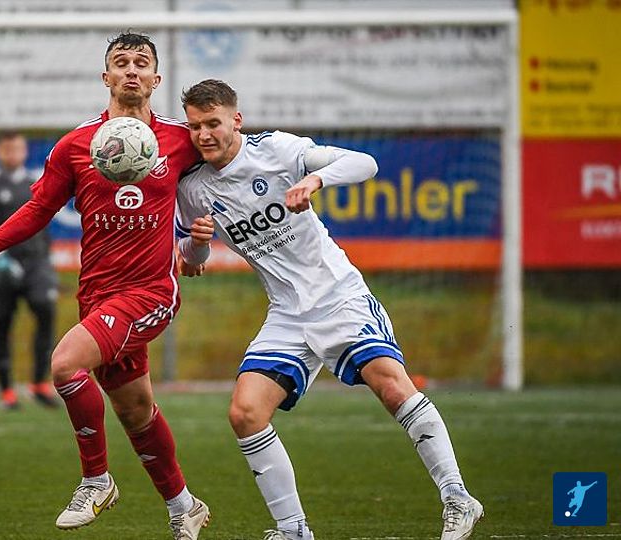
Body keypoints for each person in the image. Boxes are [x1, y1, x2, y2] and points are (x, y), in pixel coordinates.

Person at [175, 79, 483, 540]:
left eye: (213, 123)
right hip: (286, 314)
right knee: (245, 413)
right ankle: (293, 529)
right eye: (195, 126)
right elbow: (191, 260)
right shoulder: (194, 188)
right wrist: (199, 244)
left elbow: (365, 162)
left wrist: (316, 179)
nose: (203, 134)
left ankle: (458, 497)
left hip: (338, 296)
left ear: (236, 120)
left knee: (391, 386)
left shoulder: (276, 150)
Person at [0, 32, 210, 539]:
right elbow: (38, 210)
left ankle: (96, 481)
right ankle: (184, 506)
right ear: (106, 77)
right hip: (98, 296)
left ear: (156, 78)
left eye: (141, 63)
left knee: (64, 364)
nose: (131, 70)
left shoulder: (181, 139)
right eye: (121, 62)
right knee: (135, 411)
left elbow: (229, 170)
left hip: (152, 291)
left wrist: (198, 248)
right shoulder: (76, 145)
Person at [0, 131, 59, 410]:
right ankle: (6, 390)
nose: (13, 154)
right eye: (7, 149)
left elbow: (44, 227)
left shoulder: (36, 183)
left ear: (25, 151)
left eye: (18, 148)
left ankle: (39, 383)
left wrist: (45, 260)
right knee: (2, 323)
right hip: (3, 265)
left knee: (46, 309)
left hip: (36, 264)